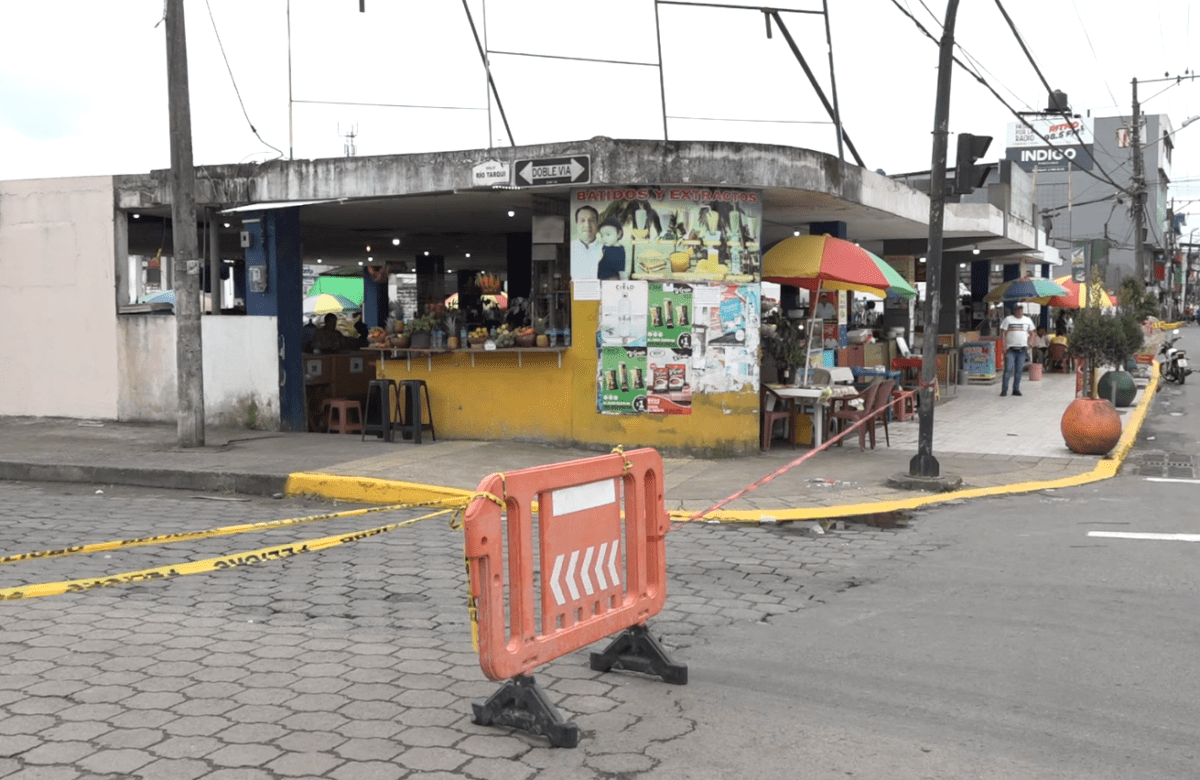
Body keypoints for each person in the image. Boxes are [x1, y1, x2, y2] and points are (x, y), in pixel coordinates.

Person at [999, 303, 1036, 397]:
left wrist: (1031, 342)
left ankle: (1016, 389)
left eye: (1021, 310)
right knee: (1008, 369)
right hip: (1010, 349)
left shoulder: (1027, 320)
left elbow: (1032, 333)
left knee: (1019, 370)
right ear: (1014, 311)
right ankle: (1004, 389)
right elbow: (1003, 333)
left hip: (1022, 349)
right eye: (1018, 310)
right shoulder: (1008, 319)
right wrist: (1004, 346)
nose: (1019, 312)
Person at [570, 205, 603, 280]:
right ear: (576, 223)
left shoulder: (606, 249)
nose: (587, 225)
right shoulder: (570, 248)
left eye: (591, 220)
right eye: (582, 220)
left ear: (597, 223)